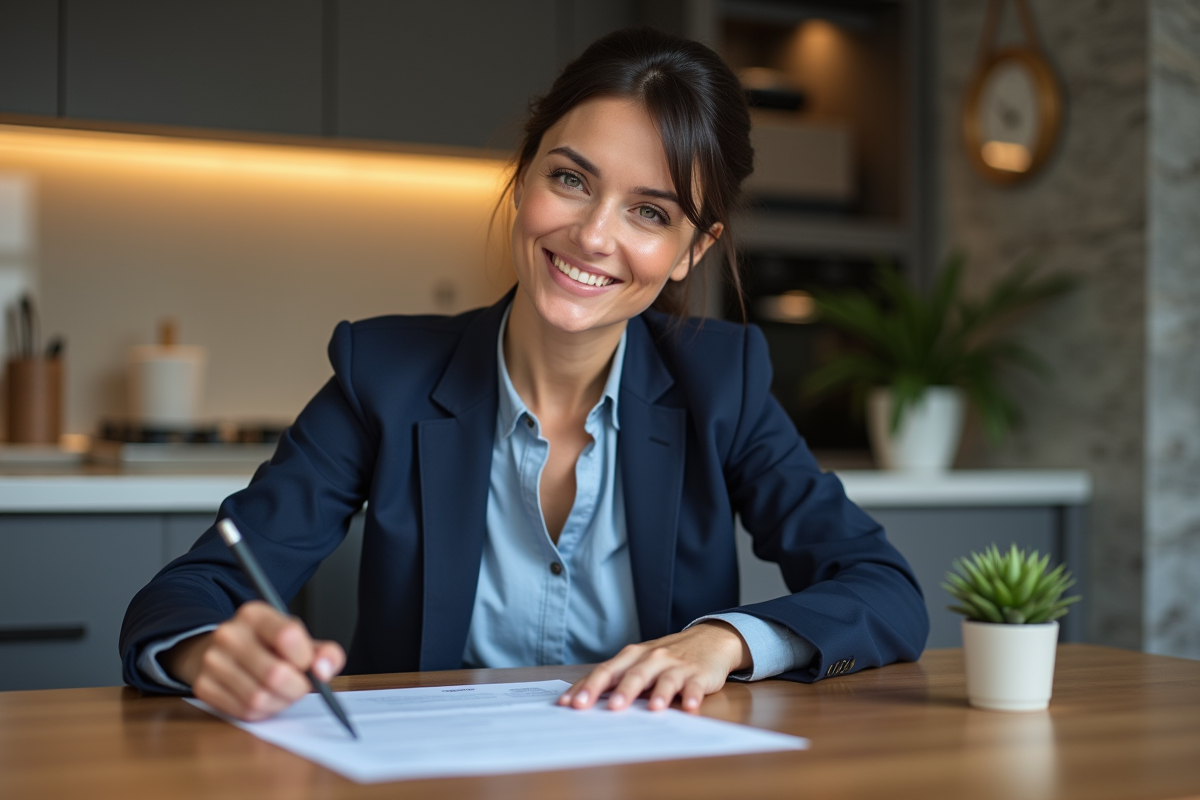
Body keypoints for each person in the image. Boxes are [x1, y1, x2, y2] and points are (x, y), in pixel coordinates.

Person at [120, 27, 928, 721]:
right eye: (571, 179)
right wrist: (205, 653)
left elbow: (885, 590)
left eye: (650, 212)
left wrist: (724, 641)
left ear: (692, 250)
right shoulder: (386, 375)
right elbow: (185, 597)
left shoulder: (723, 383)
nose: (592, 236)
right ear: (524, 174)